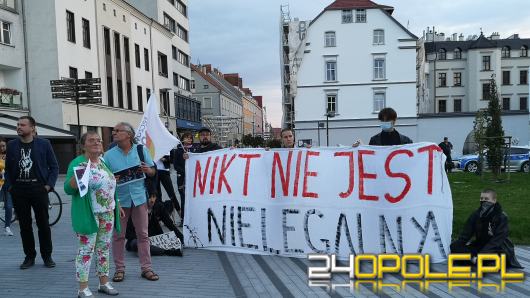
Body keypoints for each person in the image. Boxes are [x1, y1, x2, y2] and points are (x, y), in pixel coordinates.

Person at [64, 132, 123, 297]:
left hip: (107, 213)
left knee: (104, 249)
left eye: (99, 140)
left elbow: (109, 186)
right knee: (86, 251)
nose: (97, 142)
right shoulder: (78, 163)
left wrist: (117, 204)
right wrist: (76, 179)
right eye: (92, 140)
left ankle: (104, 283)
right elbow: (69, 189)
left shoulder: (103, 163)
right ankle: (82, 288)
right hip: (89, 214)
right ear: (83, 146)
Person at [103, 122, 159, 282]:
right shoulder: (108, 155)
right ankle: (119, 269)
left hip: (140, 198)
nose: (113, 132)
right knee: (118, 236)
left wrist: (149, 170)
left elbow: (153, 171)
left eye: (117, 130)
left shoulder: (141, 150)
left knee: (143, 234)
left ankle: (146, 268)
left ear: (128, 135)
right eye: (113, 130)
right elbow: (104, 178)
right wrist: (111, 179)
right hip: (119, 201)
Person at [5, 116, 59, 269]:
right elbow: (8, 169)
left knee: (43, 224)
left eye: (22, 124)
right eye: (18, 125)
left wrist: (48, 186)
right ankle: (29, 256)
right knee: (25, 226)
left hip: (38, 189)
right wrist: (10, 186)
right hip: (19, 190)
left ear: (32, 128)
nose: (19, 127)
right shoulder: (12, 145)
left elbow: (54, 167)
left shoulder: (44, 144)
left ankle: (47, 256)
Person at [450, 189, 522, 268]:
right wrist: (456, 246)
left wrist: (482, 254)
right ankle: (476, 259)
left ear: (494, 200)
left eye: (487, 199)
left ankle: (479, 260)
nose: (483, 201)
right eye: (482, 199)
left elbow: (497, 241)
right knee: (454, 247)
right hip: (480, 245)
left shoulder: (501, 217)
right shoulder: (476, 214)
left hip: (498, 248)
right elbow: (466, 234)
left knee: (496, 257)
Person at [173, 132, 194, 222]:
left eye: (190, 138)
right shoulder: (178, 151)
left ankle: (193, 216)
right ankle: (183, 218)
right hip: (182, 178)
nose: (189, 139)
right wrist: (185, 171)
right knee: (183, 198)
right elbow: (175, 165)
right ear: (183, 139)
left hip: (192, 178)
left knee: (192, 198)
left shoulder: (194, 150)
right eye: (187, 137)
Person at [0, 137, 14, 236]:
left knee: (9, 206)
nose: (2, 148)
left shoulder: (10, 156)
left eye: (3, 146)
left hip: (8, 184)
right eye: (0, 146)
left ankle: (7, 227)